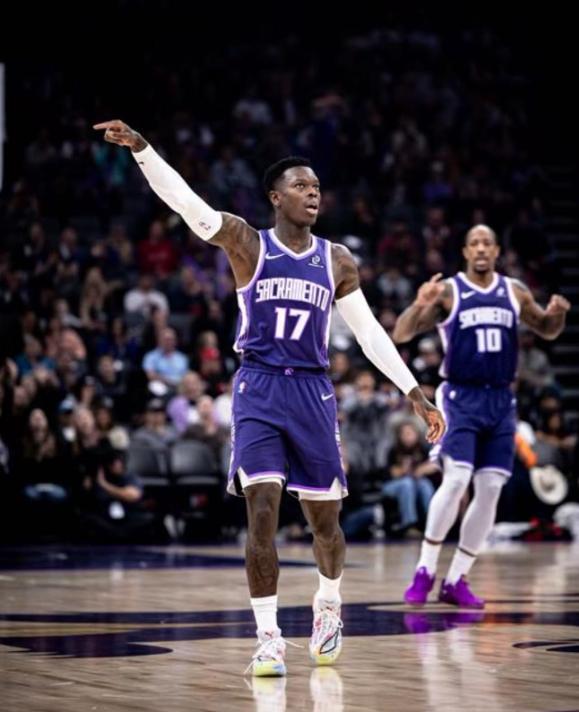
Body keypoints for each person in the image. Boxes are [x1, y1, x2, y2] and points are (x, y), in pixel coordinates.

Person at [94, 119, 445, 676]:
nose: (313, 194)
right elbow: (187, 205)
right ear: (275, 197)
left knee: (325, 522)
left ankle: (328, 605)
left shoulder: (337, 260)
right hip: (258, 386)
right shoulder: (247, 243)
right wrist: (143, 149)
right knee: (261, 512)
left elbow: (370, 333)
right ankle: (268, 637)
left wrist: (414, 393)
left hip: (312, 390)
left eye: (317, 187)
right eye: (301, 186)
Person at [393, 224, 570, 609]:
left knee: (490, 489)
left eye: (487, 242)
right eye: (474, 243)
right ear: (465, 251)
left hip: (501, 400)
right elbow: (402, 334)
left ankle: (457, 578)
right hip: (460, 396)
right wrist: (420, 305)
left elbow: (547, 330)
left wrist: (556, 315)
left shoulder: (514, 291)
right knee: (457, 479)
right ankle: (425, 569)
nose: (481, 249)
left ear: (497, 250)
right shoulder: (450, 291)